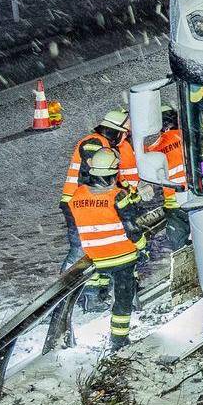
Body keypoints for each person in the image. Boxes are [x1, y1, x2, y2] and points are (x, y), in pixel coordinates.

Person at [67, 148, 144, 348]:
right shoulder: (117, 196)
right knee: (123, 298)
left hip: (95, 258)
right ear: (111, 174)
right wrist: (142, 247)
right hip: (122, 257)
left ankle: (97, 293)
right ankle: (119, 339)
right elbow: (132, 227)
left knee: (105, 281)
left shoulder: (77, 195)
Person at [60, 108, 137, 270]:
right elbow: (99, 177)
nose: (124, 139)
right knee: (80, 246)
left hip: (82, 201)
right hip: (78, 202)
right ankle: (68, 284)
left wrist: (127, 191)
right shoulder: (94, 144)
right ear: (114, 132)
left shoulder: (102, 144)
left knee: (89, 244)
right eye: (124, 134)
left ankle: (89, 286)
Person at [145, 102, 189, 251]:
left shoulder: (155, 148)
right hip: (198, 197)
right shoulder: (190, 135)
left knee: (178, 246)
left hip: (174, 204)